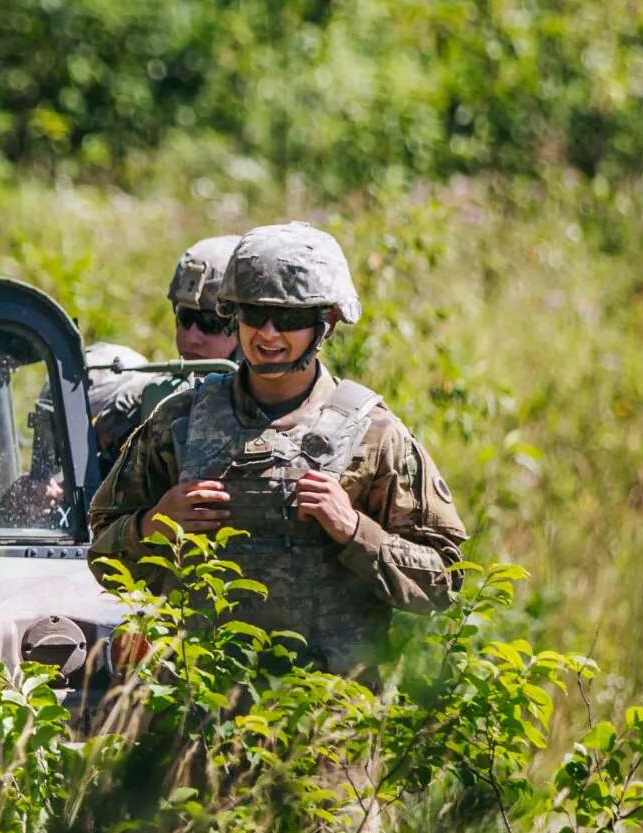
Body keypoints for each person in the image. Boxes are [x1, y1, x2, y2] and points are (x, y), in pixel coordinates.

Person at [86, 222, 466, 676]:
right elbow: (103, 561)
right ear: (234, 314)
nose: (267, 333)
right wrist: (153, 524)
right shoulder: (178, 422)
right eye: (253, 314)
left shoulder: (374, 434)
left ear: (325, 322)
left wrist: (355, 531)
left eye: (288, 319)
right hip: (195, 722)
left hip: (326, 722)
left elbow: (443, 582)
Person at [88, 233, 241, 466]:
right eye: (185, 318)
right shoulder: (136, 407)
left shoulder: (290, 408)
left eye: (212, 324)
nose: (192, 337)